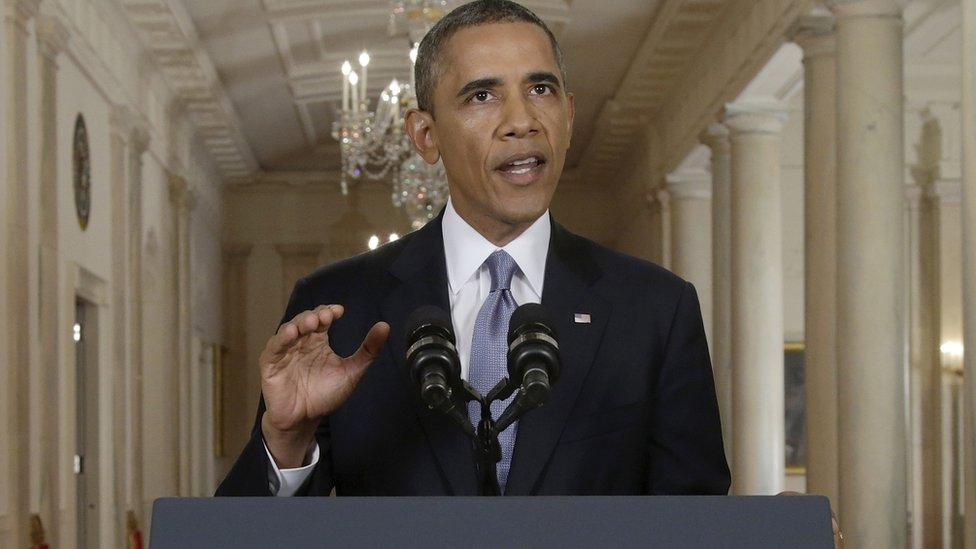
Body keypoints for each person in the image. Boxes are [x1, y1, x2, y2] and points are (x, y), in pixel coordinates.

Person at [216, 0, 730, 497]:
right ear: (424, 134)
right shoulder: (340, 305)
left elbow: (695, 520)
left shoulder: (656, 308)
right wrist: (285, 441)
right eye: (482, 96)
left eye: (541, 88)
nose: (521, 120)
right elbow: (244, 537)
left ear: (568, 117)